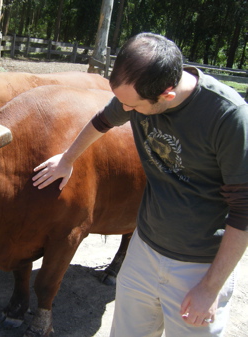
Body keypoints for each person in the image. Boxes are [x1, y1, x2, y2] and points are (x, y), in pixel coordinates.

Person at [32, 32, 248, 337]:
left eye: (130, 105)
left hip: (198, 266)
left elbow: (243, 211)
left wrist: (210, 288)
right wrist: (67, 159)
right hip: (143, 250)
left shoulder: (228, 117)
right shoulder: (135, 96)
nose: (123, 109)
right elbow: (102, 120)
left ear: (167, 95)